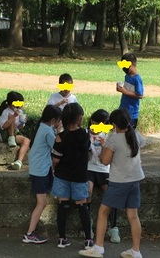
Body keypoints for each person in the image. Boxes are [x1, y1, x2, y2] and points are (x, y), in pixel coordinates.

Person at [79, 108, 146, 258]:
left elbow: (105, 160)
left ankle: (99, 247)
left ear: (114, 124)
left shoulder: (113, 139)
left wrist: (104, 146)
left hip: (119, 180)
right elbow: (141, 144)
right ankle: (136, 251)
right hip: (135, 180)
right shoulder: (135, 135)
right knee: (133, 216)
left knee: (103, 212)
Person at [51, 103, 93, 249]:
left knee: (63, 205)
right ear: (80, 118)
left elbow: (56, 159)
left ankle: (62, 238)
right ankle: (88, 239)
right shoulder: (86, 134)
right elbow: (88, 151)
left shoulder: (60, 137)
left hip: (62, 175)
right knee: (82, 206)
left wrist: (54, 168)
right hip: (80, 176)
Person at [23, 105, 62, 244]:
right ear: (53, 120)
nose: (60, 123)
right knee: (42, 203)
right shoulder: (48, 131)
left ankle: (30, 232)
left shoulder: (43, 127)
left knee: (43, 201)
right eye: (59, 120)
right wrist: (60, 132)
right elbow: (58, 147)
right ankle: (30, 233)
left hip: (40, 169)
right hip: (40, 171)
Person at [87, 109, 120, 244]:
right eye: (93, 122)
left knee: (110, 194)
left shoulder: (108, 137)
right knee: (87, 192)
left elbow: (106, 159)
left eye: (98, 124)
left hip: (104, 169)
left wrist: (103, 146)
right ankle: (88, 225)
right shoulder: (84, 134)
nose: (94, 126)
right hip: (89, 168)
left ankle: (113, 227)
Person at [0, 91, 30, 170]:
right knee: (11, 118)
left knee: (27, 141)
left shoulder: (20, 112)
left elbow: (19, 127)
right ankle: (11, 137)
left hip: (14, 133)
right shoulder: (6, 112)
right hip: (4, 134)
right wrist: (14, 116)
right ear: (10, 104)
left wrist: (23, 122)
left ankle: (19, 161)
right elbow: (3, 126)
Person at [117, 53, 144, 129]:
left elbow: (140, 95)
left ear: (131, 64)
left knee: (129, 134)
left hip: (131, 114)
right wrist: (120, 88)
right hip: (123, 109)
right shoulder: (127, 76)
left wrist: (125, 91)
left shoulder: (137, 79)